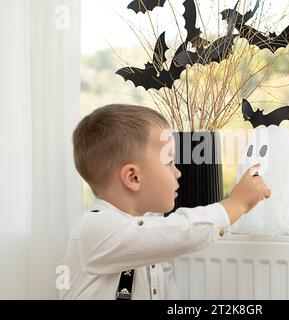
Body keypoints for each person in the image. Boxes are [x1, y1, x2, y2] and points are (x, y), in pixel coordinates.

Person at [59, 104, 271, 300]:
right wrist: (236, 204)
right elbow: (182, 231)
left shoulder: (151, 233)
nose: (178, 172)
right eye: (169, 162)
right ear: (133, 177)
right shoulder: (95, 230)